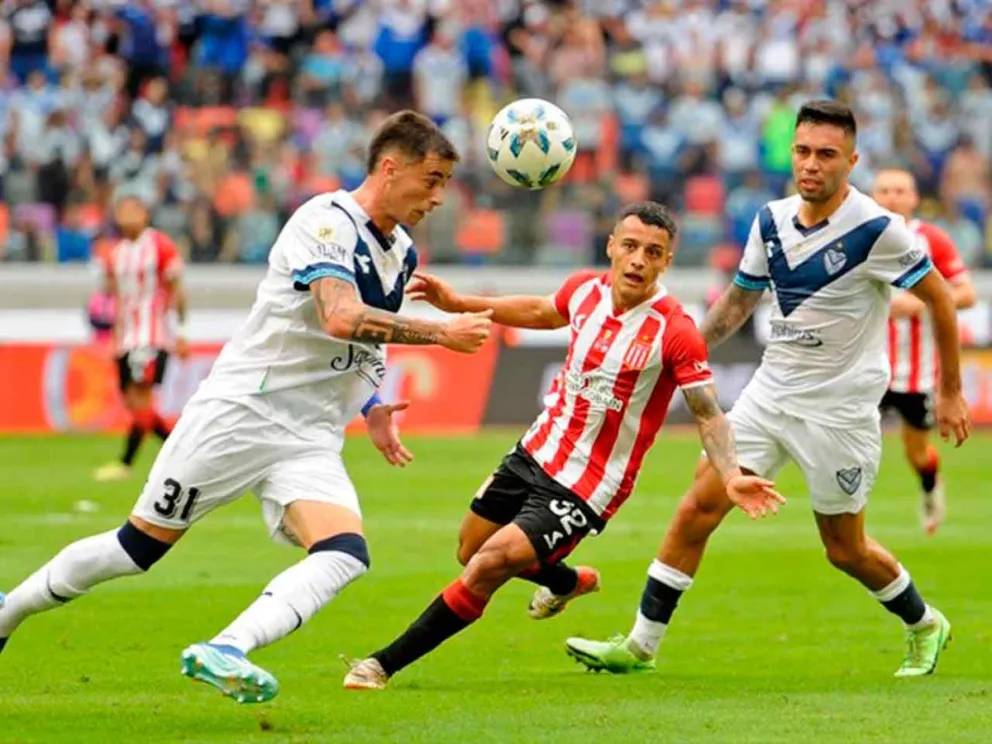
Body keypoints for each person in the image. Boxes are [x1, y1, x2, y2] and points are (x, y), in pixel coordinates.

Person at [0, 111, 493, 705]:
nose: (439, 196)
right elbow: (338, 315)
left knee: (344, 553)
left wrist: (374, 403)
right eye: (432, 178)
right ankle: (9, 612)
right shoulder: (324, 222)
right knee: (137, 550)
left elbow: (368, 340)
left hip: (309, 434)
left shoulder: (402, 251)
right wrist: (439, 333)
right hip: (242, 413)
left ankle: (226, 647)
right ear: (390, 168)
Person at [563, 101, 971, 680]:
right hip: (768, 396)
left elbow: (941, 299)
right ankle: (640, 644)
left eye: (826, 155)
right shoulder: (770, 221)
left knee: (843, 549)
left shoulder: (880, 230)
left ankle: (924, 622)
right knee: (697, 508)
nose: (811, 165)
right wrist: (675, 353)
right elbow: (737, 301)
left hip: (841, 413)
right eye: (802, 151)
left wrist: (949, 391)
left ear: (851, 161)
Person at [342, 201, 785, 691]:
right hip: (535, 450)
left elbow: (708, 414)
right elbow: (541, 310)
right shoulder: (584, 290)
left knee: (490, 564)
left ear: (666, 263)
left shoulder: (674, 331)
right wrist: (459, 304)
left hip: (588, 485)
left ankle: (381, 664)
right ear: (612, 246)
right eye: (631, 246)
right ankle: (564, 581)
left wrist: (730, 474)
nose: (639, 260)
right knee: (470, 550)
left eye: (653, 252)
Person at [872, 168, 976, 535]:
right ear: (873, 196)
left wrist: (920, 304)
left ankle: (931, 487)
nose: (892, 197)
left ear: (914, 198)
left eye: (900, 190)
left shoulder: (933, 239)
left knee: (916, 453)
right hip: (867, 368)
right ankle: (845, 517)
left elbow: (966, 293)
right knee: (847, 440)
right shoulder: (859, 238)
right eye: (884, 190)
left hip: (917, 372)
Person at [92, 193, 190, 482]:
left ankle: (125, 463)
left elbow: (178, 290)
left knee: (142, 395)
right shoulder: (114, 252)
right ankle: (181, 454)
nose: (128, 216)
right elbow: (115, 298)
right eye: (122, 210)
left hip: (152, 335)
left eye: (134, 209)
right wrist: (112, 336)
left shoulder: (160, 245)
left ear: (145, 214)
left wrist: (182, 333)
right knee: (135, 404)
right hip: (126, 338)